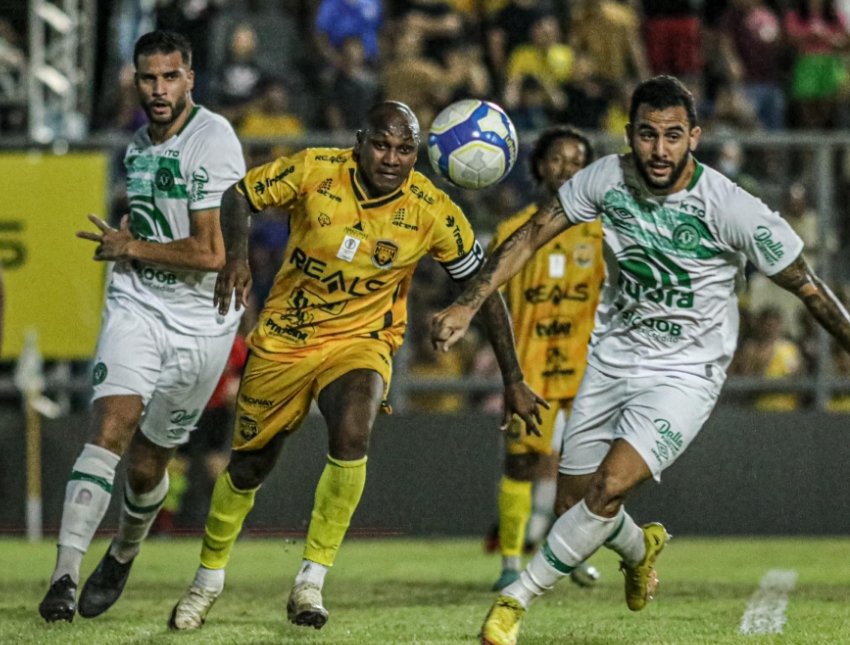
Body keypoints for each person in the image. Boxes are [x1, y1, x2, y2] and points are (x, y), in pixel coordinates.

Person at [431, 75, 850, 645]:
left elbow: (808, 287)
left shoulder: (732, 208)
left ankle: (515, 601)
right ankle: (639, 548)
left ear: (694, 138)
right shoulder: (605, 178)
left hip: (685, 373)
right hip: (610, 360)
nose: (659, 150)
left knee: (608, 487)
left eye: (673, 136)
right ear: (628, 135)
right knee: (575, 506)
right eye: (648, 135)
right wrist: (465, 303)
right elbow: (530, 236)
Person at [168, 101, 544, 632]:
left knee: (352, 432)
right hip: (286, 338)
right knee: (251, 464)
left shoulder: (432, 210)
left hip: (362, 340)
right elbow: (239, 195)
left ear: (419, 152)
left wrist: (513, 378)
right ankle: (208, 579)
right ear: (360, 141)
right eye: (382, 145)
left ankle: (310, 581)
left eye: (405, 149)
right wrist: (236, 256)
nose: (392, 158)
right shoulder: (314, 169)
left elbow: (482, 288)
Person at [37, 30, 246, 623]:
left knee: (150, 462)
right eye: (148, 78)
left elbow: (212, 253)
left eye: (169, 77)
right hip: (137, 303)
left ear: (190, 80)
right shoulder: (137, 145)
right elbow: (152, 224)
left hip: (202, 322)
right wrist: (130, 247)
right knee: (110, 426)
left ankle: (124, 552)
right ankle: (63, 578)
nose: (157, 89)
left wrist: (132, 244)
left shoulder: (214, 139)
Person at [486, 126, 604, 592]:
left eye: (577, 161)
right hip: (530, 371)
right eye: (557, 159)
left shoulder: (602, 233)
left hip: (587, 371)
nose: (566, 169)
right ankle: (511, 562)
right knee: (520, 466)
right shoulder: (512, 231)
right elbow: (493, 300)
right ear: (539, 166)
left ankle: (572, 557)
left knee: (586, 472)